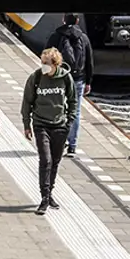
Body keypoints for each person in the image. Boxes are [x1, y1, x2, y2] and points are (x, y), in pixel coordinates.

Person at [21, 47, 76, 215]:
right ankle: (44, 197)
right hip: (41, 124)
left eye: (47, 63)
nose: (43, 66)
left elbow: (73, 100)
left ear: (55, 64)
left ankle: (50, 192)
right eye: (42, 62)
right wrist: (26, 124)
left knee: (55, 161)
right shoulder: (36, 78)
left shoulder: (65, 78)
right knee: (45, 160)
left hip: (59, 125)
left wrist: (69, 122)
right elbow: (27, 101)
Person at [50, 13, 94, 155]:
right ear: (77, 21)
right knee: (75, 111)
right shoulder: (84, 38)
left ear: (63, 19)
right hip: (78, 79)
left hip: (60, 78)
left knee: (58, 108)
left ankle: (60, 141)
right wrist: (88, 81)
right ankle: (73, 145)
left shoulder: (56, 36)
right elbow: (89, 61)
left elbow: (45, 56)